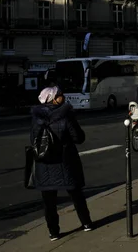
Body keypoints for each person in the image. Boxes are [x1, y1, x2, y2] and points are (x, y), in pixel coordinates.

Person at [31, 86, 93, 242]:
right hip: (66, 160)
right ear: (53, 98)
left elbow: (33, 140)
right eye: (60, 95)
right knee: (76, 195)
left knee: (49, 202)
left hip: (45, 163)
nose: (63, 96)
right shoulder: (66, 115)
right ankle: (86, 223)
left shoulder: (37, 117)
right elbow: (79, 137)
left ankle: (53, 232)